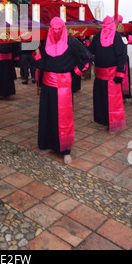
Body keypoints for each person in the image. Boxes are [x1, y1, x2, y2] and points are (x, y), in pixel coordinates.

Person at [33, 17, 93, 165]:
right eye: (53, 29)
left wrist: (75, 73)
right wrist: (36, 52)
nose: (56, 32)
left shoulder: (72, 43)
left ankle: (65, 151)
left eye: (59, 29)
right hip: (48, 85)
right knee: (47, 115)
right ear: (50, 29)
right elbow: (41, 64)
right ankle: (46, 144)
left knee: (63, 118)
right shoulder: (45, 43)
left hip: (64, 87)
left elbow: (87, 58)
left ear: (63, 28)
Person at [88, 16, 127, 133]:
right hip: (100, 75)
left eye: (108, 24)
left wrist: (120, 74)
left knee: (113, 102)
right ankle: (105, 122)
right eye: (104, 24)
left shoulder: (117, 37)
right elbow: (91, 50)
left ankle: (114, 124)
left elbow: (122, 56)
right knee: (102, 100)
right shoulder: (98, 37)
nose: (106, 27)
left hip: (112, 75)